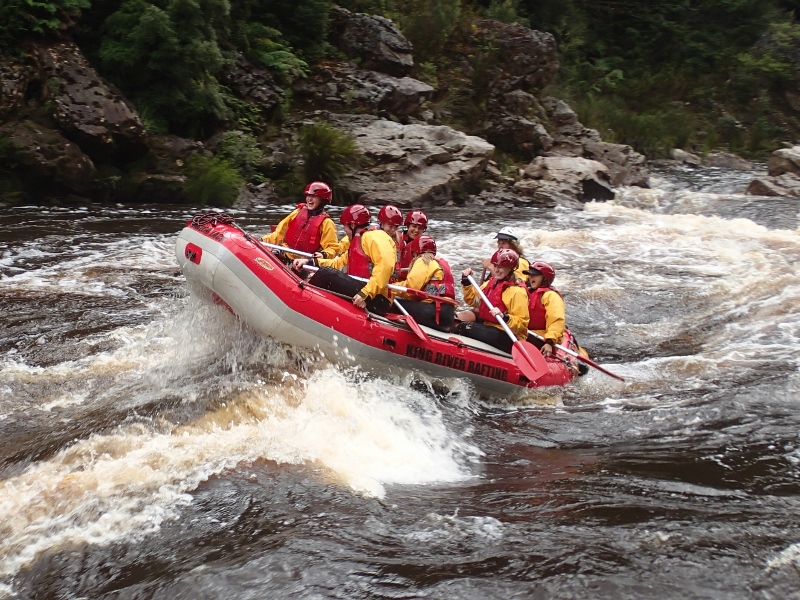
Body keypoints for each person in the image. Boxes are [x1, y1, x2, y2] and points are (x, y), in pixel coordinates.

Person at [292, 204, 396, 315]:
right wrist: (310, 262)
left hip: (377, 298)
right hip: (367, 290)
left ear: (352, 225)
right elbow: (338, 263)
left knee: (325, 273)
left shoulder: (373, 237)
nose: (345, 230)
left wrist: (366, 294)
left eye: (345, 226)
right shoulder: (360, 240)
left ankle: (300, 301)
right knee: (324, 272)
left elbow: (386, 266)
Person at [454, 248, 530, 353]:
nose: (497, 270)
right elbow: (474, 301)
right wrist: (466, 283)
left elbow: (522, 324)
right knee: (457, 322)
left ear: (510, 268)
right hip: (490, 326)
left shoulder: (517, 291)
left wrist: (505, 317)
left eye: (501, 267)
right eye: (495, 266)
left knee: (465, 327)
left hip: (509, 336)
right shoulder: (492, 282)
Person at [393, 235, 456, 331]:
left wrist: (389, 288)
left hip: (434, 311)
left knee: (391, 304)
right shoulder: (440, 263)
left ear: (415, 252)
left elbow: (410, 288)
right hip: (448, 313)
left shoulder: (423, 261)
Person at [262, 181, 339, 259]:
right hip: (286, 253)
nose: (309, 199)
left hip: (306, 260)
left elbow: (332, 248)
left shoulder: (327, 223)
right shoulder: (297, 213)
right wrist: (263, 240)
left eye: (314, 196)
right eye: (308, 195)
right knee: (274, 253)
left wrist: (323, 254)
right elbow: (279, 234)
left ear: (323, 200)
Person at [523, 261, 565, 357]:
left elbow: (556, 320)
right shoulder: (526, 292)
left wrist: (549, 342)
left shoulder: (551, 296)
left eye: (534, 275)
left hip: (542, 338)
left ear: (545, 278)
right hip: (527, 333)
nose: (530, 277)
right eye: (530, 275)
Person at [397, 210, 428, 275]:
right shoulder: (397, 239)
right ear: (408, 226)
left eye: (420, 228)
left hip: (412, 277)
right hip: (396, 275)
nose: (416, 230)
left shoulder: (425, 245)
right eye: (414, 226)